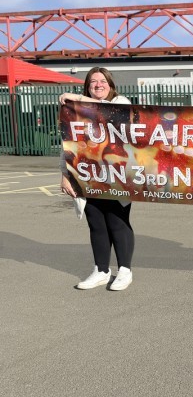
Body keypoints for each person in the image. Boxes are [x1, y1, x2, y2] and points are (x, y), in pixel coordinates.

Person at [59, 67, 135, 291]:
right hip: (87, 175)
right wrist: (65, 175)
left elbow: (110, 111)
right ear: (87, 85)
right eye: (93, 82)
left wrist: (78, 99)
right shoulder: (75, 111)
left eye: (103, 81)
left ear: (110, 85)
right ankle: (101, 270)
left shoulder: (120, 101)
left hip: (117, 174)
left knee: (117, 221)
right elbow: (66, 144)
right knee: (96, 223)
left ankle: (124, 271)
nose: (98, 85)